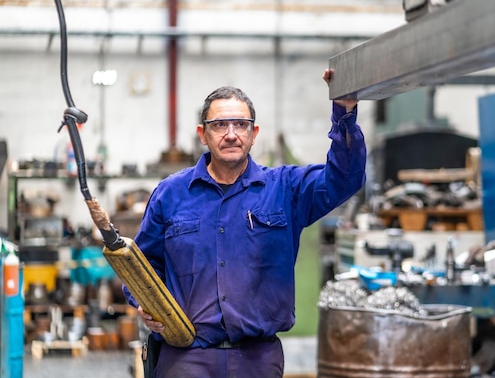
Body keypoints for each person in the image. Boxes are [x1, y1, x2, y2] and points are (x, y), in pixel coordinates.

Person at [123, 69, 366, 378]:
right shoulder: (170, 194)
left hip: (258, 359)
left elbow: (345, 179)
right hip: (186, 357)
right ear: (203, 134)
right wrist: (147, 305)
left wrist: (344, 111)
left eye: (241, 124)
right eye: (219, 125)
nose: (231, 133)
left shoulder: (285, 189)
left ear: (254, 133)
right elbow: (142, 267)